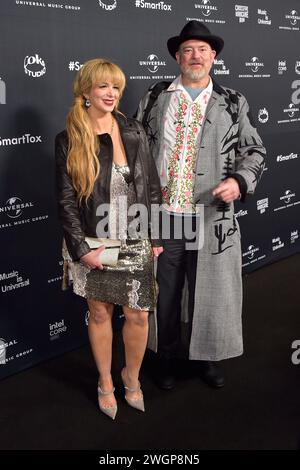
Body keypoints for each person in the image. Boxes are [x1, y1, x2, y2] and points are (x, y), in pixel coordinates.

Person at [136, 21, 266, 390]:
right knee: (166, 290)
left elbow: (254, 150)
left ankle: (207, 357)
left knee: (212, 289)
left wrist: (239, 181)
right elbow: (135, 148)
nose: (196, 56)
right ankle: (166, 357)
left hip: (211, 216)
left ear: (214, 57)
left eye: (203, 50)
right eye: (188, 50)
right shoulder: (155, 96)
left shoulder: (233, 101)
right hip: (164, 216)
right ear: (178, 56)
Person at [55, 58, 163, 419]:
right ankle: (105, 381)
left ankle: (131, 378)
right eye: (103, 86)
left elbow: (150, 185)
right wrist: (80, 249)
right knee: (100, 313)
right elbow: (66, 201)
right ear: (85, 91)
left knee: (139, 315)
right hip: (95, 240)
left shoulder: (133, 129)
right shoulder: (69, 138)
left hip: (134, 237)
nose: (111, 93)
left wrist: (158, 232)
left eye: (116, 87)